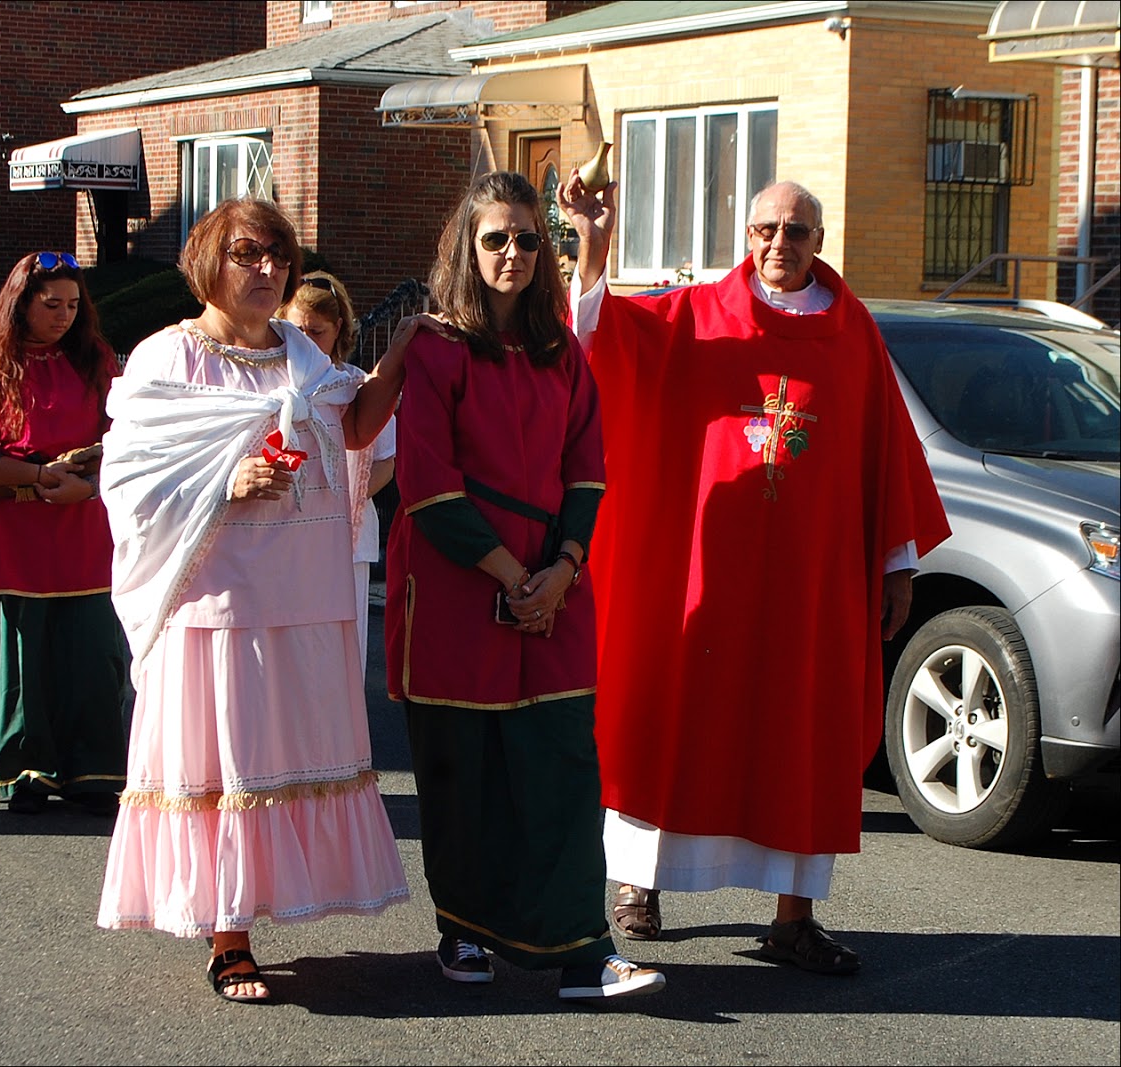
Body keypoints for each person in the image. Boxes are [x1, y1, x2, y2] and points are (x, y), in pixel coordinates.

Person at [559, 174, 950, 974]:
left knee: (798, 727)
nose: (781, 243)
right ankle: (638, 881)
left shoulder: (853, 333)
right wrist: (592, 243)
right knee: (670, 712)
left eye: (797, 231)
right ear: (747, 236)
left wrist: (897, 564)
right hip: (696, 572)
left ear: (818, 241)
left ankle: (793, 918)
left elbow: (887, 453)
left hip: (811, 581)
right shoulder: (695, 318)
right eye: (767, 228)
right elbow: (599, 338)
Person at [98, 198, 411, 1004]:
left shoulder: (302, 352)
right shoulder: (168, 357)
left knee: (278, 757)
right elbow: (129, 479)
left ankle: (265, 898)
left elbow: (353, 427)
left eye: (278, 256)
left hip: (303, 588)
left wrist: (405, 353)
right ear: (209, 259)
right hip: (217, 596)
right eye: (247, 253)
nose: (266, 269)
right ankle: (228, 932)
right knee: (227, 755)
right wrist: (225, 481)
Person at [383, 171, 665, 1003]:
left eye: (528, 238)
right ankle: (463, 933)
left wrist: (561, 573)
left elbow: (589, 470)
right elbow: (428, 482)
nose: (513, 252)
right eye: (496, 238)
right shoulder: (436, 348)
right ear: (467, 250)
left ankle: (582, 952)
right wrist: (513, 579)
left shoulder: (562, 354)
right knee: (464, 777)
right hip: (455, 591)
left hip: (553, 592)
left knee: (563, 772)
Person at [0, 251, 127, 816]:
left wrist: (88, 484)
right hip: (9, 531)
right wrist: (36, 475)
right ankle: (27, 771)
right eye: (51, 305)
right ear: (20, 304)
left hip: (80, 525)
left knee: (91, 651)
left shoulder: (94, 359)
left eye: (73, 304)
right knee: (19, 657)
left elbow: (128, 436)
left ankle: (92, 769)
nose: (64, 315)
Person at [281, 270, 396, 668]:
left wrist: (344, 495)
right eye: (298, 329)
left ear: (338, 330)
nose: (307, 340)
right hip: (284, 538)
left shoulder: (355, 387)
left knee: (341, 652)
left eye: (318, 331)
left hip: (348, 536)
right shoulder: (273, 388)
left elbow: (385, 461)